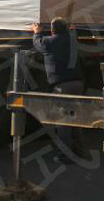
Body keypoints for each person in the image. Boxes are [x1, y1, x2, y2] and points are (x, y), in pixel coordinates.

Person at [31, 17, 88, 161]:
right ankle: (80, 151)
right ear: (66, 29)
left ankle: (65, 155)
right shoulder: (72, 40)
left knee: (63, 122)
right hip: (77, 85)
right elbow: (73, 34)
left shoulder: (49, 42)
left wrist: (37, 32)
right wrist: (73, 31)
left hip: (62, 87)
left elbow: (38, 44)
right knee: (75, 119)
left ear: (52, 31)